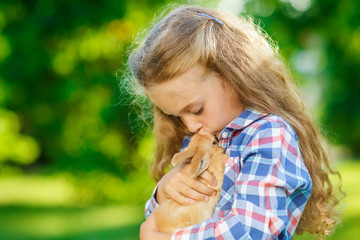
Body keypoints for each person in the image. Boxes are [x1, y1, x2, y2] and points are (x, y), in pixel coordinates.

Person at [126, 5, 341, 240]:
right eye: (177, 116)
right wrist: (163, 192)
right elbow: (164, 220)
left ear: (233, 74)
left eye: (196, 109)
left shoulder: (268, 135)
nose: (190, 126)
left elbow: (251, 231)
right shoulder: (203, 138)